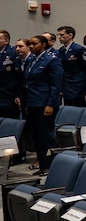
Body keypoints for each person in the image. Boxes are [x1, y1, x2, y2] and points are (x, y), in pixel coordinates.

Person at [21, 36, 63, 174]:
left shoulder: (51, 59)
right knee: (36, 136)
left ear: (43, 45)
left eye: (35, 44)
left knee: (44, 135)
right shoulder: (32, 60)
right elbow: (28, 83)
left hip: (45, 103)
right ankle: (42, 165)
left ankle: (48, 165)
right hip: (33, 102)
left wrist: (50, 104)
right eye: (30, 44)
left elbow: (56, 85)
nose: (31, 46)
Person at [55, 26, 86, 106]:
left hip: (78, 85)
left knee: (77, 109)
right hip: (66, 85)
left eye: (62, 35)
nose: (59, 37)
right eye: (58, 35)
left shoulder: (79, 49)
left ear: (70, 35)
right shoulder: (61, 50)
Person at [0, 30, 22, 120]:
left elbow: (19, 76)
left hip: (9, 94)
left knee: (10, 122)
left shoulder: (13, 52)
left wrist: (18, 95)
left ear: (6, 41)